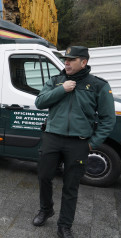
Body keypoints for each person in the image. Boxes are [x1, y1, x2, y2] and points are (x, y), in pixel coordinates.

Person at [33, 46, 116, 238]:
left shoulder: (98, 85)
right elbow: (40, 102)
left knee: (71, 186)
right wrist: (62, 89)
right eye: (65, 59)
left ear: (84, 62)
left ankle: (64, 225)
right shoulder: (55, 81)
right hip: (52, 138)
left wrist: (92, 143)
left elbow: (107, 119)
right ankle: (46, 209)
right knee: (44, 177)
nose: (66, 63)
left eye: (71, 60)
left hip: (79, 143)